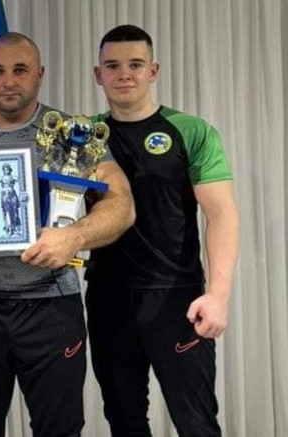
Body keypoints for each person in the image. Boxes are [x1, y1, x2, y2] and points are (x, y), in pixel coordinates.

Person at [0, 32, 135, 437]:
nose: (9, 81)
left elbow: (122, 204)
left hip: (51, 305)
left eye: (20, 70)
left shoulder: (73, 134)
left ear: (40, 75)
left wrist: (74, 237)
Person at [84, 25, 240, 437]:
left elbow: (222, 214)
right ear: (98, 75)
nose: (124, 74)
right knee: (125, 422)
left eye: (135, 64)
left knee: (196, 423)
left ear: (153, 71)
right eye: (112, 66)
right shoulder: (82, 137)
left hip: (176, 298)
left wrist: (219, 296)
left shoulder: (191, 131)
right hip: (107, 298)